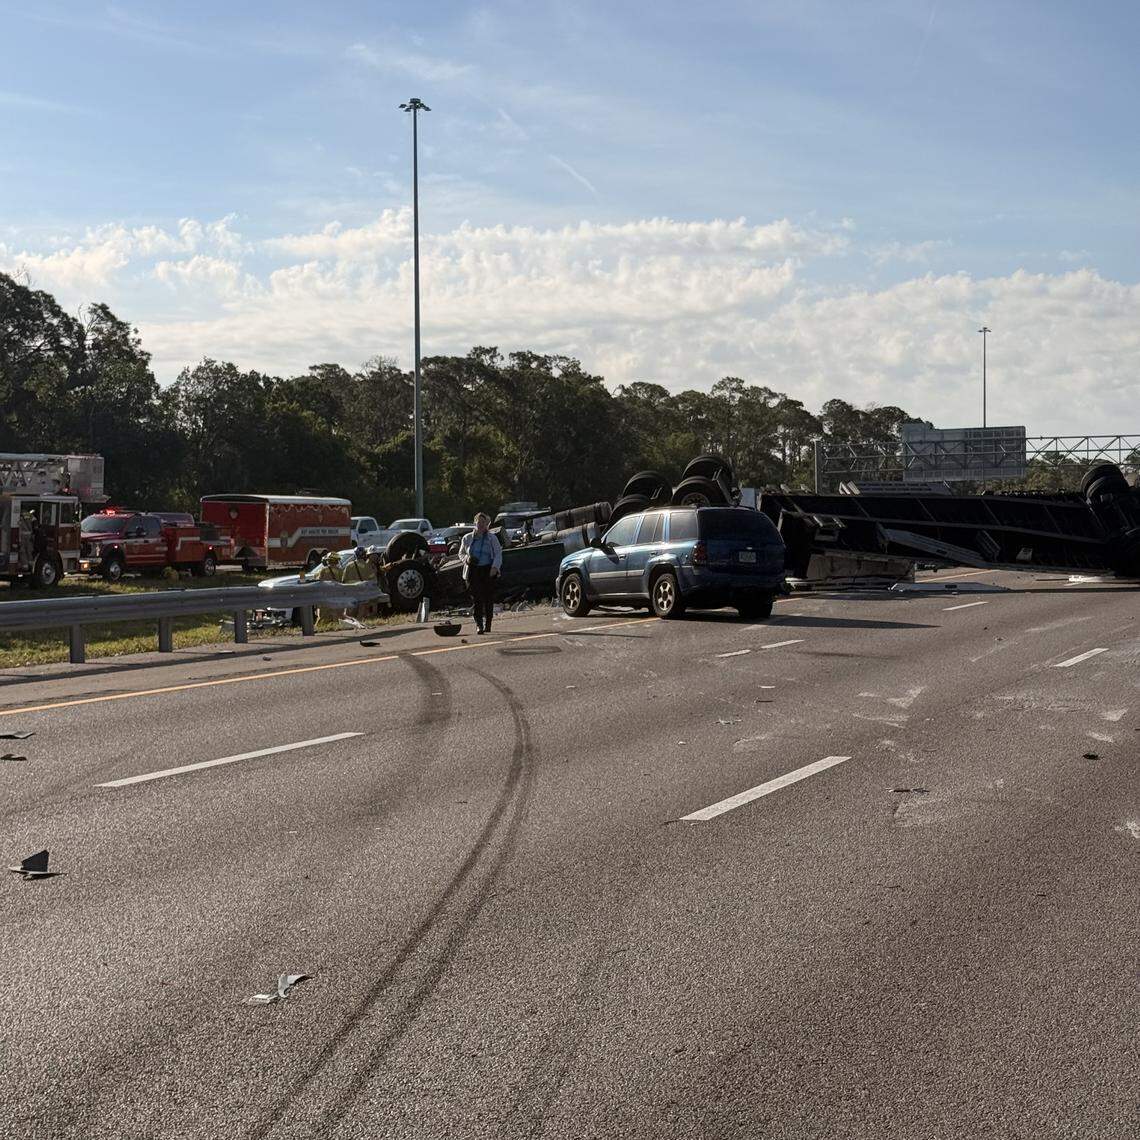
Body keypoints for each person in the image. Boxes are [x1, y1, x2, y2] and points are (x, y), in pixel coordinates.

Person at [458, 512, 502, 634]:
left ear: (486, 524)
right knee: (477, 599)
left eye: (484, 523)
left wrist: (495, 567)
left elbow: (498, 553)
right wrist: (466, 559)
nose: (481, 525)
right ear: (475, 523)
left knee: (488, 598)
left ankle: (488, 623)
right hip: (473, 570)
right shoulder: (467, 538)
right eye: (479, 522)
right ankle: (479, 625)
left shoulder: (492, 538)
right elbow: (460, 553)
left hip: (487, 570)